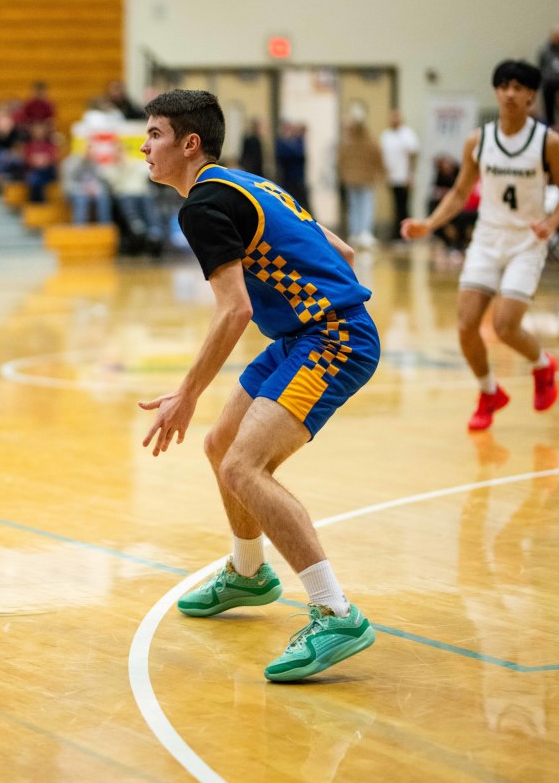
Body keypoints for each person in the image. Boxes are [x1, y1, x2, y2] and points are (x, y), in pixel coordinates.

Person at [138, 89, 379, 682]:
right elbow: (342, 251)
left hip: (330, 338)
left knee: (243, 466)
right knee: (221, 447)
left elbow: (234, 311)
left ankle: (335, 612)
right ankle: (249, 573)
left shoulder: (201, 206)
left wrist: (186, 394)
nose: (144, 145)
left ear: (189, 144)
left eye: (155, 135)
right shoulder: (250, 184)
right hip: (304, 335)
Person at [402, 60, 559, 431]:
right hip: (486, 239)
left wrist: (551, 222)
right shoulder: (478, 140)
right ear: (496, 92)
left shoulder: (549, 142)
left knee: (505, 326)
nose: (510, 93)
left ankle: (543, 366)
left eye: (519, 87)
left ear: (531, 95)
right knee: (465, 326)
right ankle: (488, 392)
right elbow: (461, 191)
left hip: (527, 241)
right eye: (504, 86)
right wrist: (428, 224)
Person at [337, 114, 384, 247]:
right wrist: (382, 174)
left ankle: (355, 234)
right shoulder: (371, 142)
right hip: (367, 180)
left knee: (354, 207)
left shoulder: (347, 143)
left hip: (351, 180)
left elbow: (340, 161)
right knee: (366, 206)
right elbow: (379, 158)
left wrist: (344, 176)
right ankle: (366, 233)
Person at [379, 110, 420, 237]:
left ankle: (407, 234)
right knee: (395, 207)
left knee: (404, 207)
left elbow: (413, 155)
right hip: (392, 177)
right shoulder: (386, 135)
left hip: (404, 177)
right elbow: (383, 156)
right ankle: (396, 234)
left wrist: (411, 175)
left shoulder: (407, 134)